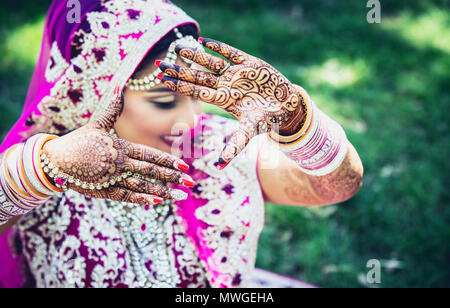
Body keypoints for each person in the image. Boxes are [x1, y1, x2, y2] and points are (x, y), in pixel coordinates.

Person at [0, 0, 363, 288]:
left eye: (194, 94)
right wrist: (49, 168)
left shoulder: (214, 147)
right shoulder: (50, 169)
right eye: (163, 100)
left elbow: (336, 185)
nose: (191, 120)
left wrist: (299, 120)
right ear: (94, 96)